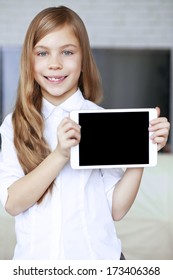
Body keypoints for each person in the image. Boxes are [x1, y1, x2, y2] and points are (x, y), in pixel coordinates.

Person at [0, 6, 170, 260]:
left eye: (67, 52)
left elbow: (116, 209)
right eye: (43, 53)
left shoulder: (102, 122)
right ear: (30, 61)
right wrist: (59, 155)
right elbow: (13, 203)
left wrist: (143, 152)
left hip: (99, 263)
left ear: (83, 61)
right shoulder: (15, 124)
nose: (55, 64)